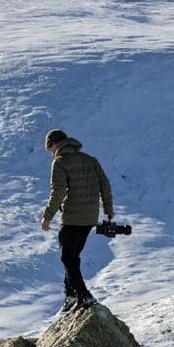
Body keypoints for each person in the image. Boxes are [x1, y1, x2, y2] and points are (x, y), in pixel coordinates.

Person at [39, 128, 113, 312]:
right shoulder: (91, 160)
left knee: (67, 257)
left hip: (72, 217)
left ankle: (83, 295)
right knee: (73, 257)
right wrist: (109, 210)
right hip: (90, 218)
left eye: (50, 148)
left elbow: (58, 192)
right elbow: (104, 184)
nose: (51, 152)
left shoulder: (60, 162)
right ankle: (70, 295)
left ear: (55, 144)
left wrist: (47, 216)